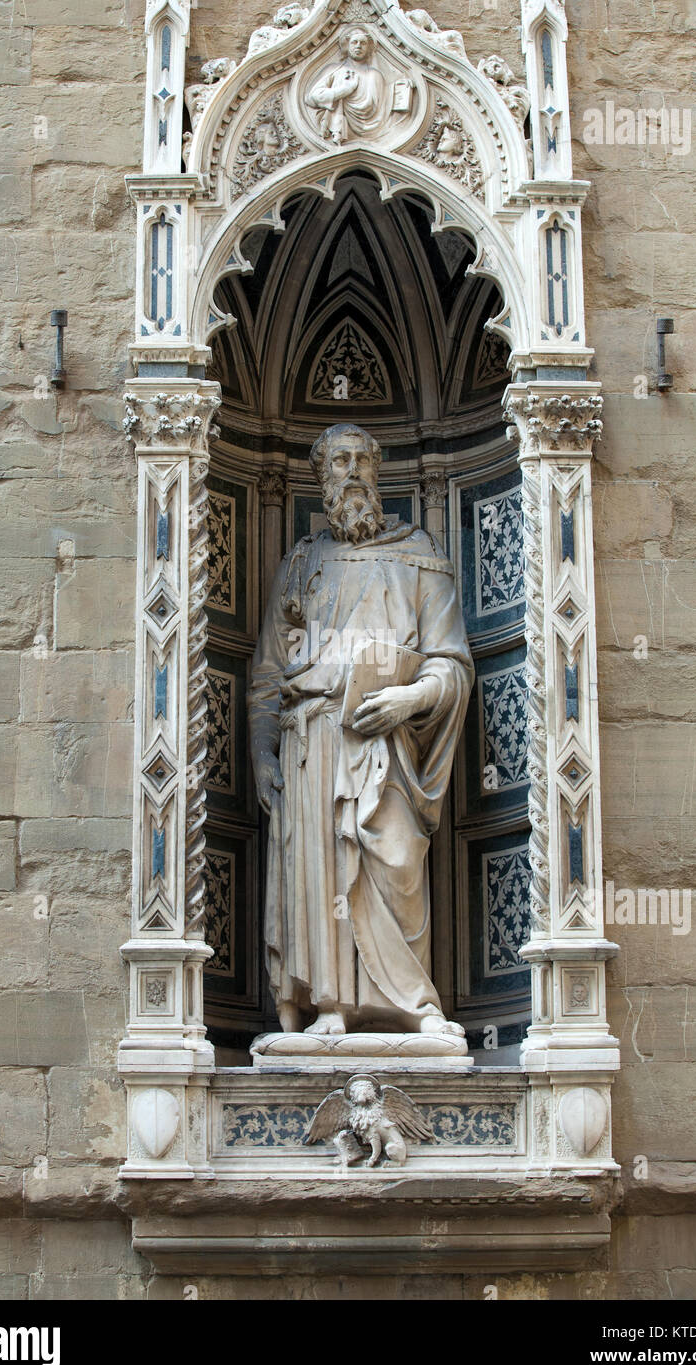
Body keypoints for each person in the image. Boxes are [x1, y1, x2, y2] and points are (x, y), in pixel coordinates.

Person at [248, 424, 474, 1037]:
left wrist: (411, 697)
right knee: (320, 874)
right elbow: (269, 672)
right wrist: (262, 754)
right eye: (337, 463)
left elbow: (452, 663)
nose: (350, 473)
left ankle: (413, 1005)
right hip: (314, 741)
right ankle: (331, 1006)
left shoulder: (418, 557)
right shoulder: (302, 564)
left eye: (360, 462)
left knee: (395, 859)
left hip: (389, 744)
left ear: (379, 473)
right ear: (320, 481)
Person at [305, 28, 387, 143]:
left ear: (369, 48)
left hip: (372, 129)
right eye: (354, 42)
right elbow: (312, 98)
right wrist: (343, 91)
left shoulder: (376, 76)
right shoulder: (334, 70)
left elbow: (384, 106)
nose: (358, 46)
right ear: (347, 45)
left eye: (363, 43)